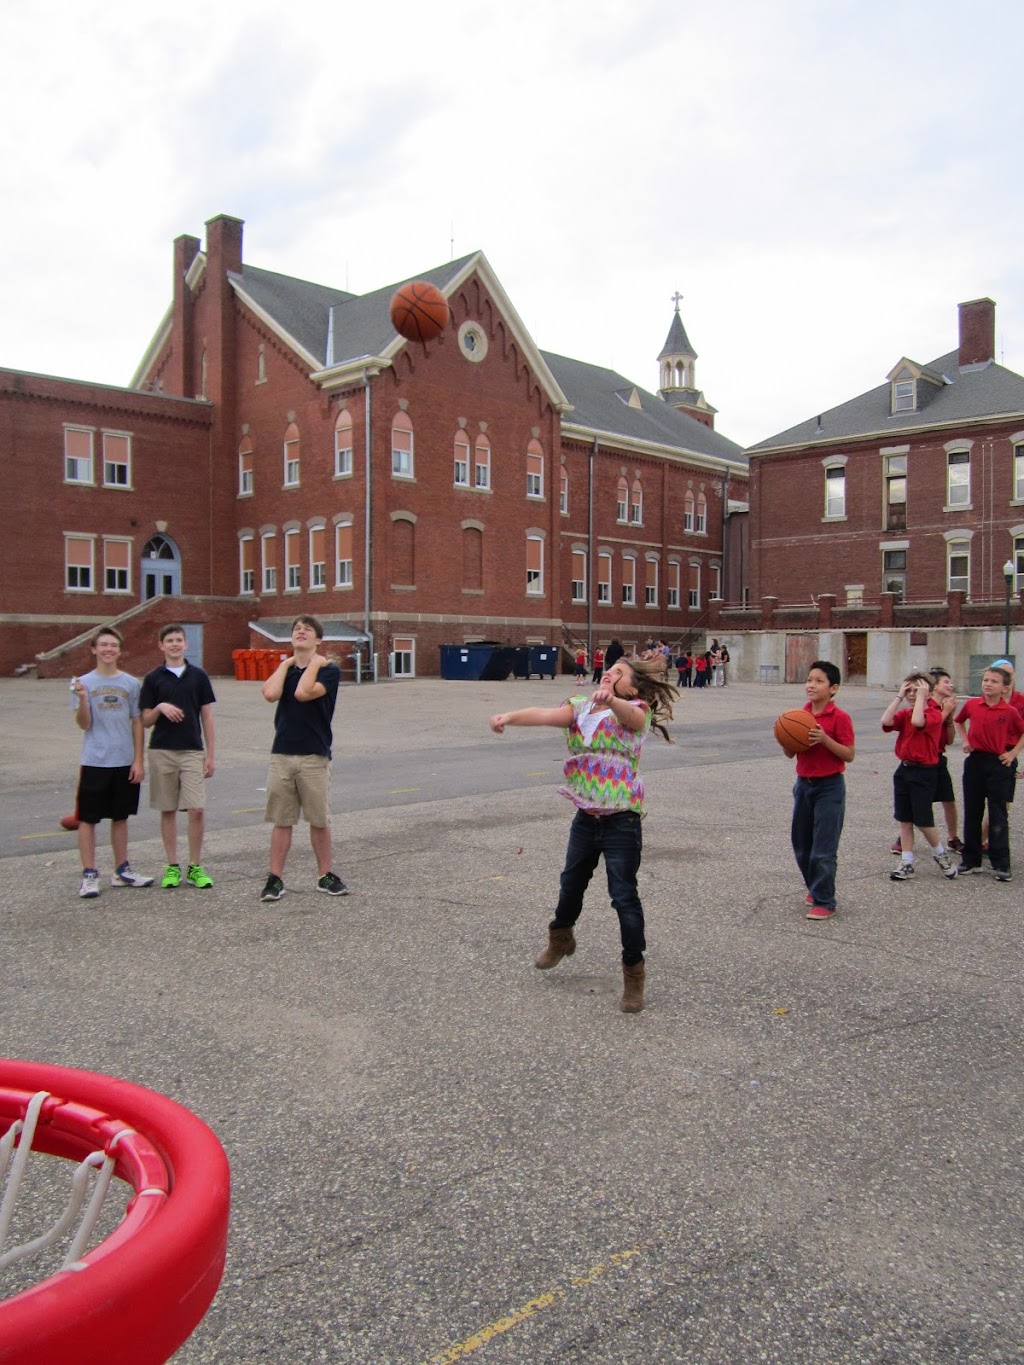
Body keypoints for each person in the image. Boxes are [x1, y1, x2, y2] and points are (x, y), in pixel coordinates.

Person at [489, 658, 679, 1013]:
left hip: (622, 820)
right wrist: (508, 718)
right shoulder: (579, 708)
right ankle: (560, 937)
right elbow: (543, 714)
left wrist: (613, 701)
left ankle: (633, 973)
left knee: (623, 896)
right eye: (610, 668)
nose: (611, 671)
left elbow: (632, 719)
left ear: (632, 688)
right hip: (586, 816)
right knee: (570, 883)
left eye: (620, 673)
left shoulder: (635, 709)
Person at [260, 615, 348, 902]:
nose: (300, 632)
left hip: (314, 754)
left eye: (307, 630)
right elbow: (270, 693)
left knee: (318, 819)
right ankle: (275, 878)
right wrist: (286, 663)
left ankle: (325, 874)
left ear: (318, 640)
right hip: (283, 752)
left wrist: (315, 663)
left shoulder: (329, 671)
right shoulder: (285, 669)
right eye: (296, 629)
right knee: (281, 820)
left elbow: (302, 693)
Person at [71, 626, 153, 898]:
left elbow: (137, 722)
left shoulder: (130, 684)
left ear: (119, 650)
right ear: (94, 649)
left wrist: (138, 760)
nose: (108, 650)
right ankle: (89, 874)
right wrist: (83, 700)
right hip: (95, 760)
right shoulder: (82, 682)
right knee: (88, 818)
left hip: (124, 760)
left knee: (120, 816)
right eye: (103, 645)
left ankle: (121, 870)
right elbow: (84, 724)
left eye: (113, 645)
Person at [140, 624, 217, 890]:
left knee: (196, 809)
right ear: (161, 646)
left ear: (186, 645)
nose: (174, 644)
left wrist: (211, 755)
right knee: (168, 809)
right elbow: (146, 720)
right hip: (162, 750)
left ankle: (195, 866)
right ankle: (172, 866)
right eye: (169, 640)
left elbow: (206, 716)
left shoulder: (198, 676)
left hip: (192, 750)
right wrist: (160, 707)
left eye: (178, 640)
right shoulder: (153, 679)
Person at [781, 660, 855, 919]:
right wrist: (785, 737)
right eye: (809, 680)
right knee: (801, 845)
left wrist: (825, 739)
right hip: (803, 785)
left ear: (833, 688)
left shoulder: (840, 718)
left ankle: (825, 900)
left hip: (830, 786)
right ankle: (815, 885)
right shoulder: (800, 715)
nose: (811, 685)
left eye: (818, 681)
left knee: (823, 848)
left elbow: (849, 754)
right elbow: (791, 752)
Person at [881, 672, 958, 881]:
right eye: (910, 691)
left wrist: (924, 697)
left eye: (917, 690)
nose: (912, 694)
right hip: (905, 769)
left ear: (928, 692)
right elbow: (886, 720)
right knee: (904, 819)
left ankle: (939, 853)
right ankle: (907, 862)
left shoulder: (933, 714)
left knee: (923, 821)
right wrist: (899, 696)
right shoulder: (905, 712)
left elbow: (918, 721)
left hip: (924, 772)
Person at [954, 665, 1024, 881]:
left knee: (998, 814)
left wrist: (1012, 754)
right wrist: (965, 740)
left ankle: (1001, 863)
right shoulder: (973, 704)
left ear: (1004, 688)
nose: (988, 684)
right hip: (976, 762)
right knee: (973, 811)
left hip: (999, 763)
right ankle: (971, 859)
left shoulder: (1009, 711)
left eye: (994, 681)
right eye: (985, 680)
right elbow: (958, 721)